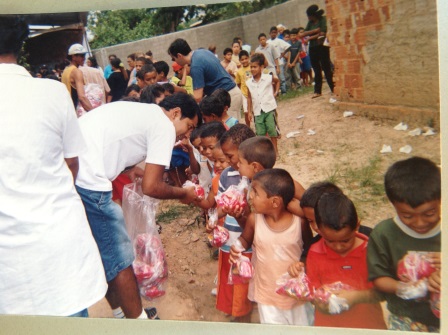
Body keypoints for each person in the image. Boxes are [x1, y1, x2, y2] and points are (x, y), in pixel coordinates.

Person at [0, 15, 107, 317]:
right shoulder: (52, 92)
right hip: (59, 241)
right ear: (20, 45)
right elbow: (71, 163)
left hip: (8, 258)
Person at [74, 93, 201, 319]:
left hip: (75, 173)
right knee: (120, 257)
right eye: (189, 126)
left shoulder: (146, 114)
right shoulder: (164, 126)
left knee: (104, 251)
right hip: (89, 181)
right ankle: (140, 323)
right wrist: (184, 193)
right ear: (176, 113)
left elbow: (115, 143)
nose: (186, 134)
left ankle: (121, 314)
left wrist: (128, 169)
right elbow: (152, 187)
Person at [289, 192, 387, 329]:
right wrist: (321, 303)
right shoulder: (315, 253)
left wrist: (356, 297)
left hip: (368, 327)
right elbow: (314, 294)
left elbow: (383, 293)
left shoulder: (371, 250)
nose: (339, 246)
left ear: (357, 226)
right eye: (330, 241)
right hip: (329, 327)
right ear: (320, 230)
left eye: (346, 240)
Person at [230, 169, 313, 326]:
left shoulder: (299, 223)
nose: (250, 196)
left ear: (274, 202)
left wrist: (301, 263)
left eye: (255, 192)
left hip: (295, 294)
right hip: (267, 294)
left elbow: (309, 249)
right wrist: (237, 248)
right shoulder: (254, 220)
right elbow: (245, 240)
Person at [367, 157, 441, 332]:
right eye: (407, 216)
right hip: (405, 317)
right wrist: (406, 288)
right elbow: (379, 278)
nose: (420, 222)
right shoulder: (384, 234)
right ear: (393, 204)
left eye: (429, 213)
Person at [215, 124, 255, 322]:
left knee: (244, 281)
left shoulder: (258, 178)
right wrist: (215, 217)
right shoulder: (227, 175)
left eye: (230, 156)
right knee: (231, 278)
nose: (227, 162)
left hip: (247, 243)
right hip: (230, 239)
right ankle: (236, 311)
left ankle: (243, 316)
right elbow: (220, 203)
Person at [168, 38, 243, 120]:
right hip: (232, 93)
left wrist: (181, 100)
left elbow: (197, 97)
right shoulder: (202, 52)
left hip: (228, 96)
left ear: (179, 55)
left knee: (231, 130)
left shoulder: (195, 66)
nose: (174, 61)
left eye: (173, 59)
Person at [246, 53, 280, 155]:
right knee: (260, 133)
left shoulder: (268, 77)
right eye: (251, 67)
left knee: (272, 130)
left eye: (255, 67)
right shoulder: (249, 82)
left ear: (261, 67)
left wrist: (276, 92)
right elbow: (249, 97)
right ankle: (264, 152)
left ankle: (275, 150)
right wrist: (249, 111)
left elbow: (277, 81)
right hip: (257, 111)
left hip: (269, 108)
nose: (252, 69)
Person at [301, 4, 334, 98]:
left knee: (326, 67)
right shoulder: (310, 23)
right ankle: (317, 90)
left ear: (313, 15)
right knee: (316, 69)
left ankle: (333, 87)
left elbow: (323, 32)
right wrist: (315, 31)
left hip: (322, 46)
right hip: (313, 47)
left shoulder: (323, 19)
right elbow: (304, 34)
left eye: (309, 16)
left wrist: (310, 36)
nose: (308, 18)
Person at [61, 43, 93, 111]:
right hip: (76, 111)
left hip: (68, 110)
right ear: (73, 57)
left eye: (84, 55)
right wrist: (94, 112)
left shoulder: (65, 71)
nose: (84, 58)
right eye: (81, 56)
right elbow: (82, 97)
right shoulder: (76, 72)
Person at [267, 26, 291, 94]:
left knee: (282, 78)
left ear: (277, 33)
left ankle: (284, 91)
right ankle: (276, 92)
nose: (273, 34)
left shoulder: (279, 41)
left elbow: (288, 47)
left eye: (275, 33)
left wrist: (283, 54)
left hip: (279, 62)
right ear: (269, 33)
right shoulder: (267, 42)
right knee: (273, 79)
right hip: (271, 64)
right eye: (272, 33)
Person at [235, 50, 252, 127]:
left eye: (246, 58)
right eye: (242, 59)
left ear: (249, 58)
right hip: (244, 94)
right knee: (246, 112)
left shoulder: (252, 67)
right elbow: (238, 83)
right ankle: (248, 127)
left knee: (255, 111)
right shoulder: (239, 71)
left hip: (254, 93)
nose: (244, 61)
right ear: (239, 61)